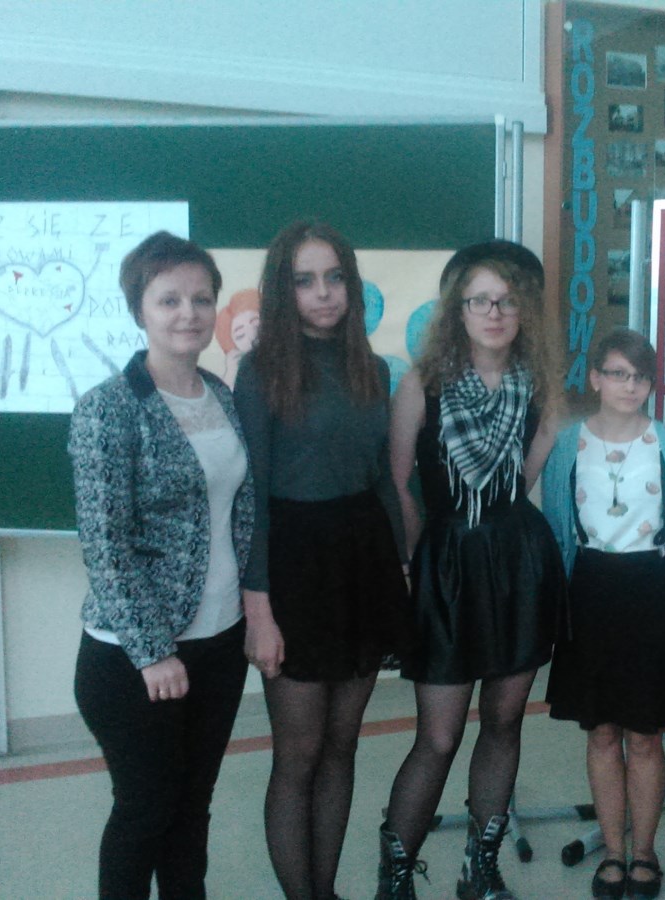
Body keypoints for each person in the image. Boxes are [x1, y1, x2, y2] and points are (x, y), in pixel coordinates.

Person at [377, 240, 565, 900]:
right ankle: (396, 873)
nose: (494, 312)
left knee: (505, 723)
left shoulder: (539, 388)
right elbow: (399, 484)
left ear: (524, 311)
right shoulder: (419, 386)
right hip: (447, 569)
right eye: (479, 300)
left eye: (507, 301)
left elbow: (524, 481)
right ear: (456, 310)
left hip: (518, 565)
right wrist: (416, 563)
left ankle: (479, 868)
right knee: (438, 736)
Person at [68, 231, 252, 900]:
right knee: (144, 811)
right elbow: (105, 545)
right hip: (134, 659)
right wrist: (152, 653)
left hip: (220, 639)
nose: (188, 314)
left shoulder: (222, 395)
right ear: (139, 309)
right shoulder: (108, 408)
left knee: (192, 807)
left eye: (201, 299)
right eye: (169, 299)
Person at [233, 221, 408, 900]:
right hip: (294, 567)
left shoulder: (374, 368)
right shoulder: (260, 373)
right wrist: (259, 611)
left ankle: (326, 891)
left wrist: (400, 568)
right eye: (305, 280)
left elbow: (382, 479)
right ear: (284, 290)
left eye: (335, 277)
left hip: (362, 561)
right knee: (299, 753)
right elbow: (252, 498)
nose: (324, 292)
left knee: (342, 745)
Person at [541, 327, 665, 900]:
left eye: (639, 377)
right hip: (591, 591)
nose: (629, 386)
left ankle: (646, 852)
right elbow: (558, 528)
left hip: (652, 591)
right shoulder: (568, 445)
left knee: (645, 734)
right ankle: (613, 850)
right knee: (602, 732)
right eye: (616, 374)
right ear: (595, 379)